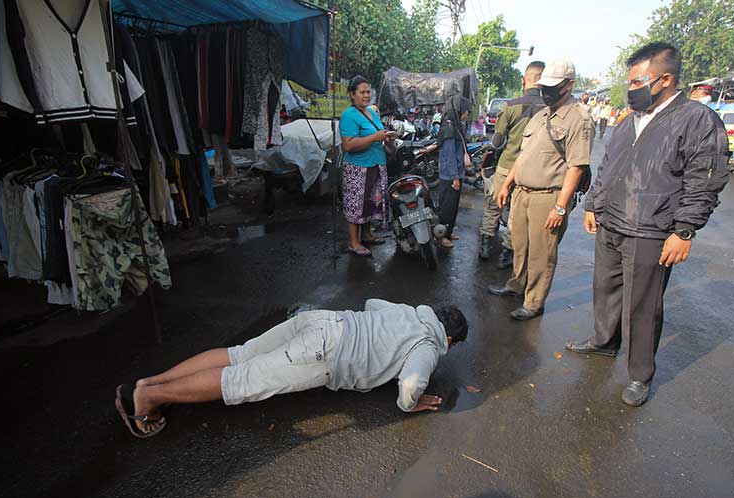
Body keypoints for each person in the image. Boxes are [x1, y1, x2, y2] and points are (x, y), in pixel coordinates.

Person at [566, 42, 730, 406]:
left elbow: (705, 180)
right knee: (604, 288)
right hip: (612, 223)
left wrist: (684, 230)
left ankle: (640, 374)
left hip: (652, 230)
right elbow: (608, 167)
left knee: (642, 305)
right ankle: (605, 341)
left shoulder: (697, 119)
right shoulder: (628, 123)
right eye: (630, 82)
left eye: (638, 81)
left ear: (666, 79)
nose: (631, 89)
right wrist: (594, 204)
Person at [115, 299, 469, 438]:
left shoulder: (410, 311)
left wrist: (379, 338)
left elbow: (372, 303)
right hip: (324, 352)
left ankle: (150, 382)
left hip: (324, 321)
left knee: (240, 354)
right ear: (450, 340)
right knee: (240, 381)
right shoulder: (428, 347)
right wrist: (412, 403)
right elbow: (410, 387)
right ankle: (149, 397)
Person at [488, 60, 594, 321]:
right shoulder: (541, 116)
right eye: (544, 86)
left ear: (569, 86)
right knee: (520, 246)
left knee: (541, 253)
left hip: (548, 196)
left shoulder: (577, 118)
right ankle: (517, 286)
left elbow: (576, 166)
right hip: (522, 192)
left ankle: (534, 302)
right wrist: (507, 183)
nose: (546, 92)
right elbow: (523, 155)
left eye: (552, 87)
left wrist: (560, 206)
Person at [479, 61, 546, 268]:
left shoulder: (510, 106)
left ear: (523, 80)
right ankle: (507, 253)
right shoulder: (550, 108)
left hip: (507, 164)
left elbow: (497, 141)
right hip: (535, 171)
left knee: (493, 205)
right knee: (517, 214)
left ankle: (486, 244)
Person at [339, 76, 392, 257]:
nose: (366, 95)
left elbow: (377, 134)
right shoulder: (348, 116)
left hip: (376, 164)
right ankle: (354, 242)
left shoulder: (371, 112)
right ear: (352, 95)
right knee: (355, 205)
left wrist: (386, 137)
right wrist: (374, 138)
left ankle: (367, 234)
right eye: (362, 92)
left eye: (368, 91)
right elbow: (348, 145)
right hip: (358, 168)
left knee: (370, 201)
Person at [436, 95, 472, 248]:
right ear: (459, 109)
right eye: (466, 111)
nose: (467, 114)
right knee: (447, 206)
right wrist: (454, 177)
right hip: (450, 175)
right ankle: (441, 236)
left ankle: (448, 231)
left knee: (453, 205)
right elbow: (449, 155)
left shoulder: (456, 126)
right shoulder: (449, 128)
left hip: (457, 173)